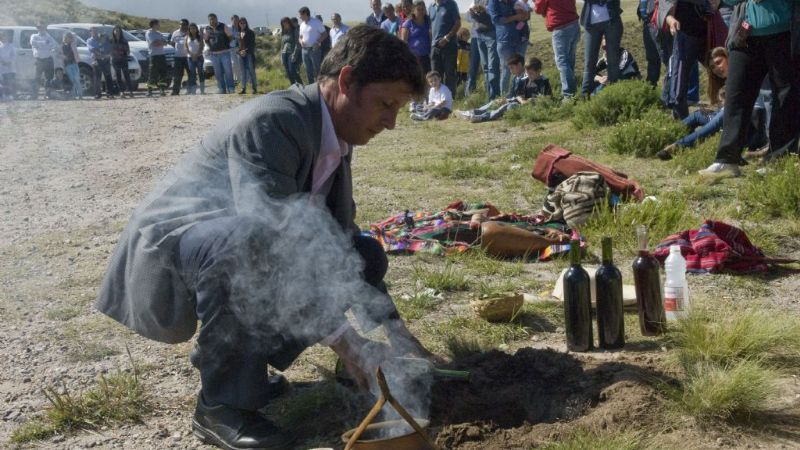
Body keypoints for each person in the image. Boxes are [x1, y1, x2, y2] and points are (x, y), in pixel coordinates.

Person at [95, 25, 429, 450]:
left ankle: (245, 368)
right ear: (346, 82)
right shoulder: (276, 121)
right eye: (386, 104)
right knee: (250, 247)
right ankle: (220, 408)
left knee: (360, 253)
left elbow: (334, 244)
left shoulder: (335, 137)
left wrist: (398, 336)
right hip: (176, 254)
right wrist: (349, 344)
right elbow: (275, 241)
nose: (392, 123)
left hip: (241, 243)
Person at [699, 1, 799, 177]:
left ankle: (779, 159)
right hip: (745, 34)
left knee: (785, 97)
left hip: (785, 32)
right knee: (735, 94)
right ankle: (727, 160)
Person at [656, 0, 714, 119]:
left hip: (708, 29)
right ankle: (682, 123)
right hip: (685, 32)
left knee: (721, 69)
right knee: (679, 80)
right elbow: (666, 6)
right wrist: (670, 19)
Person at [457, 55, 552, 122]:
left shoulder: (544, 81)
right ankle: (472, 113)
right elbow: (519, 94)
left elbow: (547, 98)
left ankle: (481, 117)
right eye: (528, 73)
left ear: (539, 71)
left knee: (507, 106)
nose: (529, 76)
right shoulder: (526, 80)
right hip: (521, 103)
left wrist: (532, 101)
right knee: (496, 102)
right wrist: (522, 101)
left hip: (531, 107)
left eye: (531, 73)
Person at [534, 0, 580, 98]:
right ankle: (573, 91)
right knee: (570, 60)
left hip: (561, 27)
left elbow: (538, 9)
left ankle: (568, 94)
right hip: (574, 24)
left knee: (562, 61)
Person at [578, 0, 623, 97]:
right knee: (589, 62)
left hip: (612, 21)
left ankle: (613, 95)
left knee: (613, 61)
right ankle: (584, 97)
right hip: (591, 23)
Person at [489, 0, 528, 95]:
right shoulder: (494, 2)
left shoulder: (516, 1)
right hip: (504, 41)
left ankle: (521, 94)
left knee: (520, 68)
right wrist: (515, 17)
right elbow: (496, 20)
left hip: (520, 40)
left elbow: (523, 18)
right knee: (507, 69)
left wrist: (524, 17)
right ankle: (505, 98)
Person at [469, 0, 500, 100]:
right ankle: (489, 95)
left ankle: (494, 97)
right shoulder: (476, 1)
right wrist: (472, 13)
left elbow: (496, 15)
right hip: (479, 35)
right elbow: (470, 18)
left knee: (492, 66)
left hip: (491, 34)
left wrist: (484, 10)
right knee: (486, 67)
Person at [428, 0, 461, 96]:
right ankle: (437, 98)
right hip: (434, 46)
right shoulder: (431, 7)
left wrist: (447, 38)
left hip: (449, 45)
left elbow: (458, 23)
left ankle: (450, 98)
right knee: (435, 74)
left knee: (449, 73)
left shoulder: (451, 4)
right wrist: (431, 43)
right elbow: (431, 26)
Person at [204, 14, 235, 94]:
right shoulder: (207, 29)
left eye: (213, 19)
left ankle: (231, 88)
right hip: (213, 54)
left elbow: (230, 36)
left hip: (225, 53)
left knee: (228, 71)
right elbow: (206, 40)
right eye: (210, 19)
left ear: (216, 19)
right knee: (218, 73)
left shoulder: (223, 26)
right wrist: (209, 47)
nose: (212, 21)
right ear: (209, 20)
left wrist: (229, 44)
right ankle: (221, 89)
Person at [401, 0, 433, 76]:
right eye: (418, 9)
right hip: (413, 58)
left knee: (427, 79)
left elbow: (431, 38)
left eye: (423, 9)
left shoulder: (428, 22)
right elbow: (403, 42)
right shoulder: (408, 23)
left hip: (426, 57)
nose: (421, 11)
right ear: (413, 10)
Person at [298, 6, 328, 84]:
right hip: (304, 50)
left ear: (305, 14)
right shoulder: (302, 25)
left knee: (317, 69)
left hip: (314, 50)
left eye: (300, 15)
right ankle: (311, 87)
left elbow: (325, 34)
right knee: (308, 70)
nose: (299, 17)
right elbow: (300, 37)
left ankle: (320, 86)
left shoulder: (316, 22)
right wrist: (301, 41)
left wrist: (318, 42)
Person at [30, 23, 58, 100]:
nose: (41, 29)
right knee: (37, 78)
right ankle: (34, 95)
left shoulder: (49, 37)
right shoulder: (34, 36)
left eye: (42, 27)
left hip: (48, 59)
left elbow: (53, 45)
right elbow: (33, 43)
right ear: (37, 28)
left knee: (49, 78)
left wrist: (40, 44)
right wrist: (45, 43)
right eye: (39, 27)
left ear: (45, 28)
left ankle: (48, 94)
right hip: (39, 60)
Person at [87, 28, 115, 99]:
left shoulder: (103, 38)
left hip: (106, 60)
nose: (95, 33)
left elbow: (109, 47)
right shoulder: (89, 40)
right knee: (97, 78)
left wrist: (108, 55)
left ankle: (110, 93)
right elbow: (92, 49)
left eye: (96, 31)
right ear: (90, 32)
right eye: (93, 31)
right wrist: (102, 55)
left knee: (108, 76)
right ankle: (98, 94)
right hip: (97, 60)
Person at [146, 19, 169, 96]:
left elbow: (165, 43)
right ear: (154, 25)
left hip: (161, 55)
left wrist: (160, 42)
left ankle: (162, 90)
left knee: (163, 73)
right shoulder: (149, 33)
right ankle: (150, 91)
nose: (159, 25)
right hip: (154, 56)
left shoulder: (159, 33)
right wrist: (160, 42)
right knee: (152, 73)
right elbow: (154, 43)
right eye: (158, 24)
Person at [110, 25, 133, 98]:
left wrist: (124, 52)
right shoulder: (111, 40)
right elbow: (108, 50)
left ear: (121, 32)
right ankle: (121, 92)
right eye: (115, 30)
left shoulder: (124, 41)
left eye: (118, 30)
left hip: (123, 59)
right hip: (115, 60)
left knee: (127, 76)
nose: (117, 32)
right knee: (118, 76)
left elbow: (128, 51)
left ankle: (130, 91)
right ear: (113, 31)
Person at [237, 17, 258, 95]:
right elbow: (236, 45)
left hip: (249, 54)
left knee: (251, 71)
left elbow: (252, 44)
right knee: (243, 72)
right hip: (240, 55)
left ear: (246, 23)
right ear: (239, 24)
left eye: (244, 23)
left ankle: (254, 88)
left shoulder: (250, 32)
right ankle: (243, 88)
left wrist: (245, 51)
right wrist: (239, 52)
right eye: (241, 23)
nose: (242, 24)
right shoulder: (238, 33)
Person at [280, 17, 303, 85]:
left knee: (292, 71)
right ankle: (293, 86)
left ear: (289, 22)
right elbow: (281, 46)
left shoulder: (294, 31)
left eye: (286, 23)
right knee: (288, 72)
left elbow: (297, 43)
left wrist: (294, 55)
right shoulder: (283, 32)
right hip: (284, 53)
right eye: (283, 23)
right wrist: (281, 57)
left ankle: (301, 85)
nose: (285, 25)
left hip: (291, 53)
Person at [170, 19, 190, 96]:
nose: (182, 26)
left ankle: (191, 89)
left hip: (188, 57)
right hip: (178, 57)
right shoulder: (175, 33)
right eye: (181, 24)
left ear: (187, 25)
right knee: (177, 75)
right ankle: (175, 91)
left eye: (184, 24)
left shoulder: (190, 32)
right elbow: (172, 43)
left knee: (191, 74)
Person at [185, 23, 205, 94]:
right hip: (190, 58)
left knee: (200, 72)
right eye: (191, 28)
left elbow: (202, 47)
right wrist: (191, 55)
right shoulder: (187, 37)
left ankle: (202, 90)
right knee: (192, 73)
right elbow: (186, 47)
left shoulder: (200, 37)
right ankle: (193, 90)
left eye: (194, 28)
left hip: (199, 57)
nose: (193, 30)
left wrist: (196, 55)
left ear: (196, 29)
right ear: (189, 30)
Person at [62, 31, 82, 99]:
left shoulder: (73, 44)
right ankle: (73, 95)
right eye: (68, 37)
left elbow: (75, 36)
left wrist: (70, 31)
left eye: (70, 37)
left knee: (77, 79)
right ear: (65, 38)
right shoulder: (63, 46)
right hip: (68, 65)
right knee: (72, 80)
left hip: (74, 63)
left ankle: (80, 94)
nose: (69, 38)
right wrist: (64, 57)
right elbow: (60, 54)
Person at [0, 30, 17, 100]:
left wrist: (8, 62)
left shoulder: (11, 46)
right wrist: (2, 61)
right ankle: (3, 95)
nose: (2, 38)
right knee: (3, 82)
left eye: (4, 36)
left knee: (9, 82)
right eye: (1, 37)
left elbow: (14, 56)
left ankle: (9, 95)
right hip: (2, 68)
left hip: (10, 68)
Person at [230, 15, 242, 86]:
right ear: (231, 20)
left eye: (237, 20)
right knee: (234, 64)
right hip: (232, 49)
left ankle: (242, 79)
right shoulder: (229, 28)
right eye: (234, 20)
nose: (236, 22)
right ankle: (237, 80)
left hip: (240, 48)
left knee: (241, 64)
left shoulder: (241, 28)